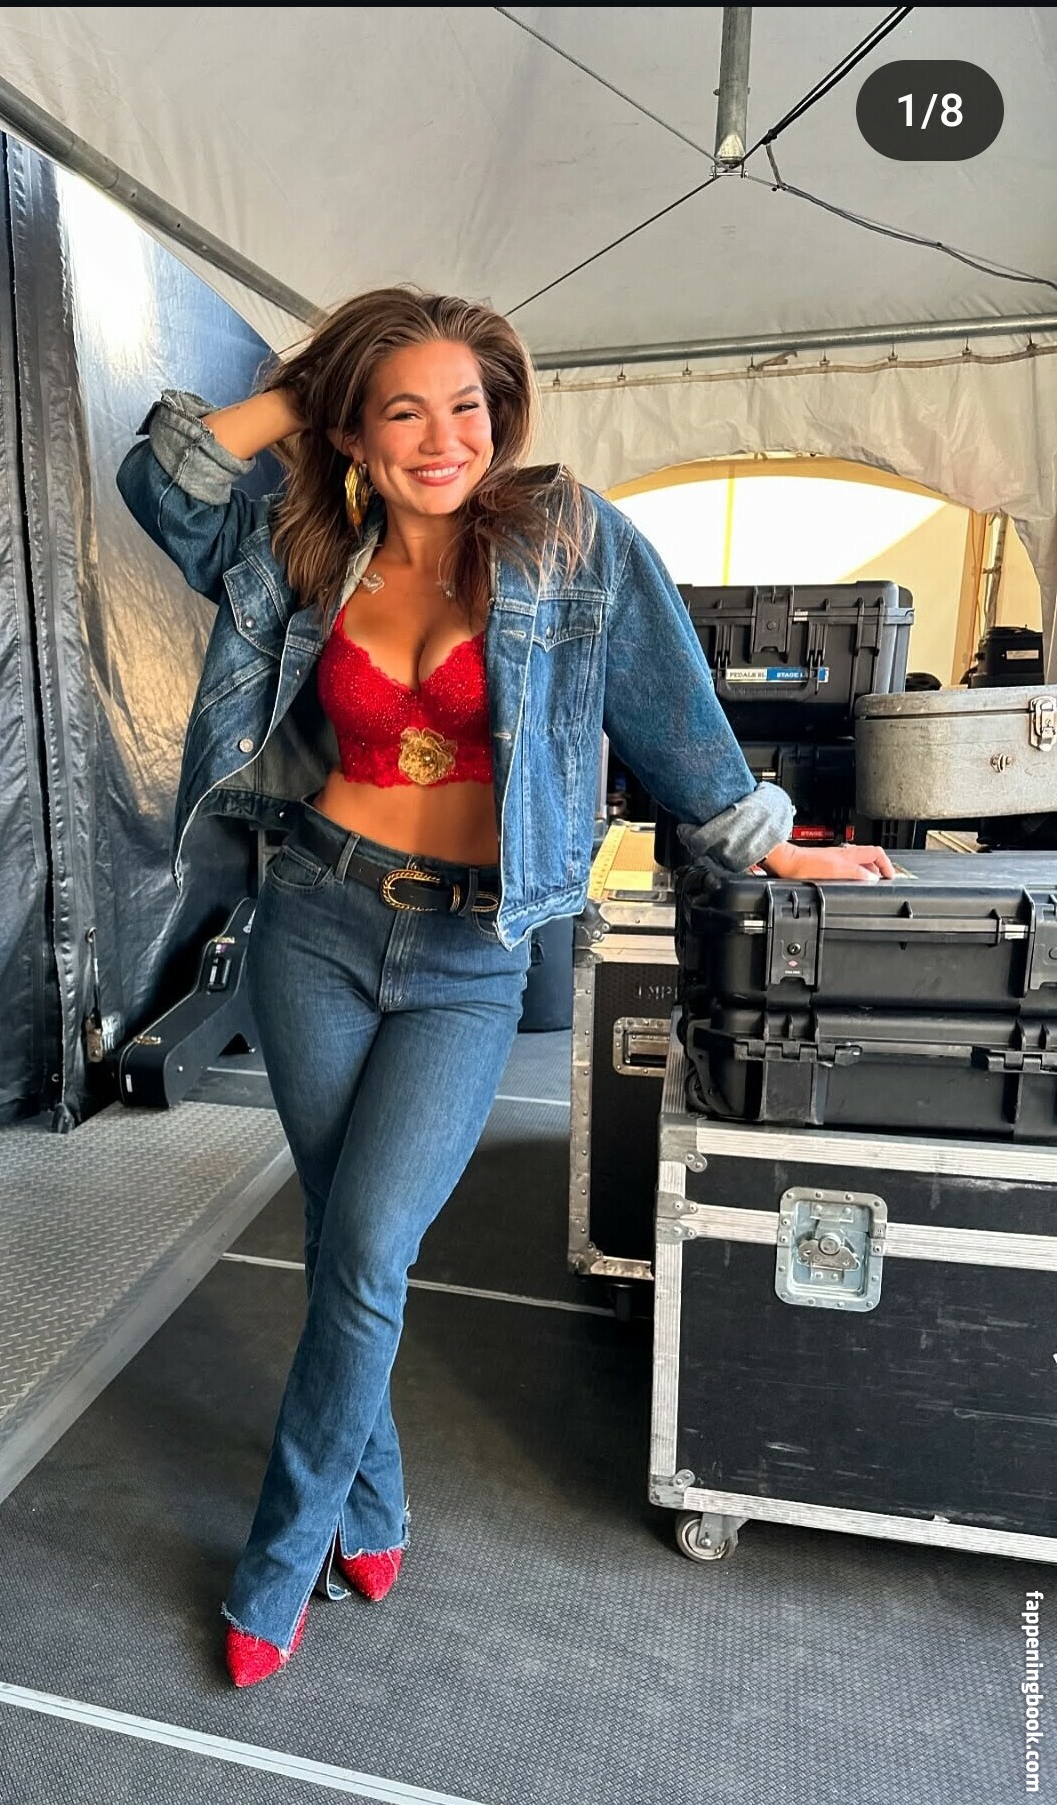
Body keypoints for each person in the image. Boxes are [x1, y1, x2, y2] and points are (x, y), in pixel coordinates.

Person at [116, 287, 895, 1687]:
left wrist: (768, 842)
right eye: (404, 410)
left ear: (504, 414)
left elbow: (672, 710)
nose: (444, 439)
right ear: (355, 432)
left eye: (467, 406)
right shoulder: (306, 549)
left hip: (470, 954)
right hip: (314, 923)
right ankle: (375, 1505)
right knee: (350, 1244)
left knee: (365, 1245)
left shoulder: (567, 540)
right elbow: (161, 478)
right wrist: (311, 387)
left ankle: (280, 1556)